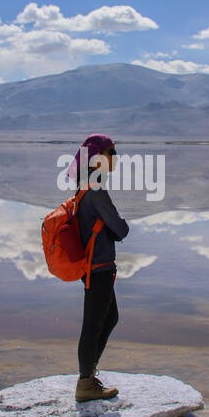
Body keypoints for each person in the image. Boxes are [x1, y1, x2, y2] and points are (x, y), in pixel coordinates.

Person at [68, 133, 129, 402]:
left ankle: (89, 377)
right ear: (98, 158)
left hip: (97, 267)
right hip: (98, 268)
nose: (116, 159)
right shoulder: (95, 190)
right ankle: (86, 383)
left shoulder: (87, 187)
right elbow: (120, 229)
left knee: (109, 318)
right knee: (93, 325)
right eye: (112, 153)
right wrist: (121, 224)